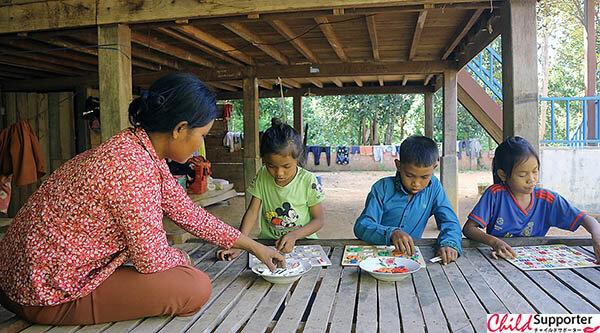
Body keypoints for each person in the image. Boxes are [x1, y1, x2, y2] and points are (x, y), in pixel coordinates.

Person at [0, 73, 284, 326]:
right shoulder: (132, 168)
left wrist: (254, 247)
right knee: (193, 286)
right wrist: (180, 258)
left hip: (21, 274)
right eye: (202, 135)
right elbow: (152, 260)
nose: (200, 144)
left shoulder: (138, 147)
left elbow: (188, 213)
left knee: (180, 266)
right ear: (179, 129)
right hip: (42, 292)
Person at [463, 136, 600, 261]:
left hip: (535, 261)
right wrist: (494, 242)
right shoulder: (495, 195)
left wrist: (597, 235)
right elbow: (469, 228)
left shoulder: (547, 199)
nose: (531, 179)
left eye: (535, 171)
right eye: (522, 175)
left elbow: (585, 218)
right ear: (503, 175)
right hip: (499, 260)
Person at [217, 118, 325, 260]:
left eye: (286, 166)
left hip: (303, 244)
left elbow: (318, 220)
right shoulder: (263, 175)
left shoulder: (308, 180)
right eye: (271, 166)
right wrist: (239, 243)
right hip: (268, 244)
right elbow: (252, 212)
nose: (279, 173)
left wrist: (294, 235)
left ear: (297, 159)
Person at [353, 135, 462, 264]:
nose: (416, 183)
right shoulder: (382, 188)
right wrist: (391, 233)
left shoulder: (434, 187)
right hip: (377, 257)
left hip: (409, 260)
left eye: (424, 177)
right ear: (398, 165)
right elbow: (362, 226)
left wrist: (450, 243)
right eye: (409, 175)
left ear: (435, 167)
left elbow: (450, 222)